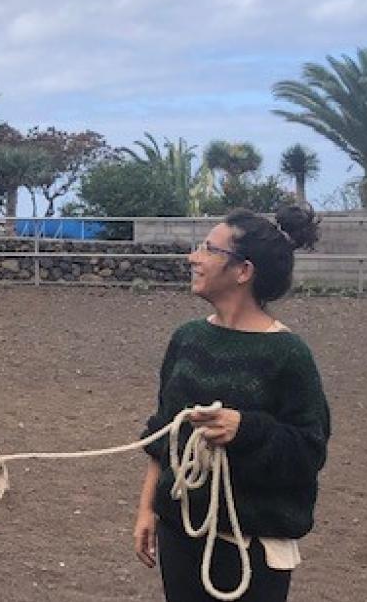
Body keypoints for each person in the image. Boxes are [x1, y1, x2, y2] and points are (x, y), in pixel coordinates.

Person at [133, 204, 330, 602]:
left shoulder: (288, 355)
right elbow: (164, 433)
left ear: (243, 271)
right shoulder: (186, 339)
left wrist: (247, 430)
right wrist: (147, 509)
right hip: (181, 532)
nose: (194, 257)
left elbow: (309, 449)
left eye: (209, 249)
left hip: (252, 548)